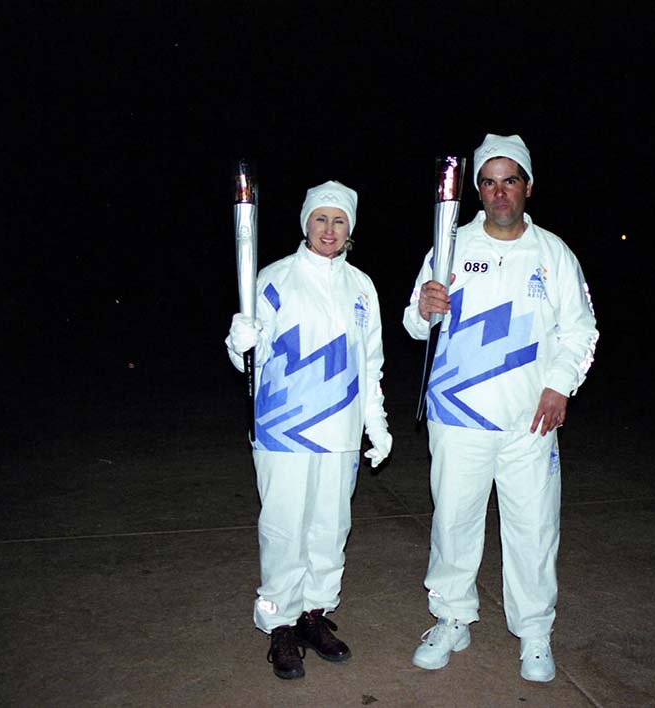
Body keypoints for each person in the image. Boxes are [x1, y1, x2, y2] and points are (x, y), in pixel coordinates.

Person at [403, 134, 598, 682]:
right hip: (457, 414)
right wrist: (424, 308)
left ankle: (534, 633)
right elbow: (415, 325)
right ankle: (451, 618)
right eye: (488, 182)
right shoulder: (450, 246)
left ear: (528, 187)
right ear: (477, 191)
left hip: (528, 420)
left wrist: (560, 387)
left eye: (509, 180)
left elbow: (580, 330)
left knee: (533, 528)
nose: (498, 192)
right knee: (454, 522)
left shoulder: (553, 253)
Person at [225, 180, 392, 681]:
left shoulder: (362, 287)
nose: (329, 229)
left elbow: (371, 365)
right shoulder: (274, 280)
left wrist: (376, 424)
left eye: (339, 221)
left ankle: (313, 615)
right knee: (283, 530)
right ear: (305, 223)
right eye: (321, 219)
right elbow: (246, 361)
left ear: (350, 230)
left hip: (339, 432)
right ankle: (279, 625)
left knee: (329, 529)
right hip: (282, 430)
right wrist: (240, 342)